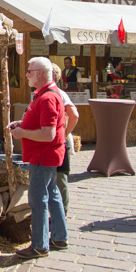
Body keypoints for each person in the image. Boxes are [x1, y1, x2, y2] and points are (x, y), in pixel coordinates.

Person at [9, 56, 68, 260]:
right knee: (52, 194)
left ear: (40, 74)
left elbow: (47, 134)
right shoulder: (42, 94)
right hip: (46, 155)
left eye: (29, 71)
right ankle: (59, 237)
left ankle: (39, 245)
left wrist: (22, 133)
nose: (26, 75)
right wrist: (22, 124)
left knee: (38, 199)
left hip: (43, 156)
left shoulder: (48, 97)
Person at [52, 63, 79, 215]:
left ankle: (63, 210)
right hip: (56, 142)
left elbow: (74, 115)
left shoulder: (59, 94)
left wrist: (64, 132)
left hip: (59, 143)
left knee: (60, 178)